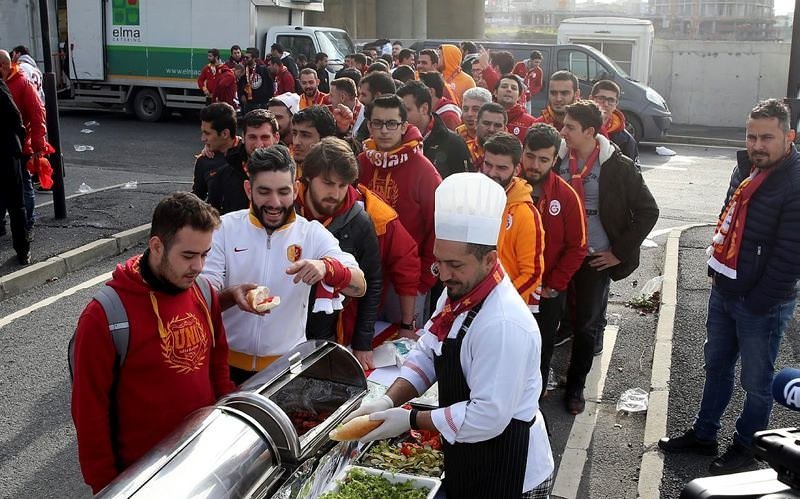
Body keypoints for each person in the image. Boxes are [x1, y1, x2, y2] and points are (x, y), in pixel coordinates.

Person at [345, 172, 555, 498]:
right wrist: (387, 400)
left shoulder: (502, 324)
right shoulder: (459, 290)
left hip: (511, 469)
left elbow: (487, 417)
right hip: (469, 455)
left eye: (455, 264)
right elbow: (429, 350)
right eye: (439, 262)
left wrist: (411, 419)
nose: (444, 275)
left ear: (489, 259)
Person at [658, 98, 800, 475]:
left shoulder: (796, 180)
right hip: (725, 290)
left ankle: (746, 446)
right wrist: (715, 270)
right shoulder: (745, 167)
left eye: (766, 138)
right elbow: (725, 217)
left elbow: (790, 256)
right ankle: (705, 434)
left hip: (762, 304)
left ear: (789, 136)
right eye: (752, 136)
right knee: (716, 367)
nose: (757, 145)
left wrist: (757, 302)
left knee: (757, 382)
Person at [71, 192, 236, 493]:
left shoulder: (203, 291)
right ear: (157, 246)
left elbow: (218, 365)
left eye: (205, 254)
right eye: (188, 256)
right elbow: (89, 413)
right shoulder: (104, 316)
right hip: (142, 478)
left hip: (203, 458)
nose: (199, 266)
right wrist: (107, 487)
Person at [202, 145, 366, 384]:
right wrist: (231, 295)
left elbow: (359, 284)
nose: (275, 202)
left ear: (296, 189)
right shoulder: (224, 229)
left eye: (283, 191)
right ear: (249, 190)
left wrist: (327, 268)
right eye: (264, 192)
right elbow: (202, 296)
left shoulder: (311, 233)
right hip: (224, 365)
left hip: (286, 369)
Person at [555, 100, 658, 414]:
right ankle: (540, 379)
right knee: (547, 321)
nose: (563, 132)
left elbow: (648, 211)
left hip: (594, 259)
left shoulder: (618, 165)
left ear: (589, 131)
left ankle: (575, 387)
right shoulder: (556, 158)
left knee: (585, 327)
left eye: (570, 127)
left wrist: (618, 252)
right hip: (557, 256)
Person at [295, 137, 382, 369]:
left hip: (331, 333)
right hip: (284, 335)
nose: (335, 193)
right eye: (327, 183)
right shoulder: (287, 210)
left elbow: (372, 281)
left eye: (343, 185)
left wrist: (363, 341)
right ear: (308, 177)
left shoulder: (360, 221)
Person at [358, 95, 442, 322]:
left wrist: (425, 277)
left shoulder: (424, 171)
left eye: (392, 123)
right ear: (369, 125)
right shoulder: (361, 163)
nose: (384, 130)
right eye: (378, 123)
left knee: (402, 347)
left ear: (404, 126)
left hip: (408, 281)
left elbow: (438, 226)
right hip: (365, 274)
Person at [519, 124, 587, 398]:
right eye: (530, 156)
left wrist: (554, 285)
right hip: (509, 287)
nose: (535, 165)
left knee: (541, 347)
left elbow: (577, 247)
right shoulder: (505, 187)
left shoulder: (566, 196)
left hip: (546, 292)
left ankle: (533, 405)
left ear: (554, 160)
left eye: (543, 159)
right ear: (522, 153)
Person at [480, 131, 545, 313]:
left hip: (506, 310)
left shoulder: (525, 214)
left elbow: (532, 274)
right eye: (488, 165)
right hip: (474, 302)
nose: (492, 173)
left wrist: (497, 302)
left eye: (501, 168)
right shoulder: (475, 200)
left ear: (517, 170)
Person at [0, 49, 45, 232]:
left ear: (4, 65)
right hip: (7, 145)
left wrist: (38, 146)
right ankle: (2, 224)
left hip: (20, 146)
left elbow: (37, 114)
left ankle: (28, 222)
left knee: (24, 185)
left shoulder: (22, 82)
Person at [207, 109, 280, 214]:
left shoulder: (290, 173)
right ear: (244, 137)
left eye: (265, 137)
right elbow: (212, 217)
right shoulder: (224, 175)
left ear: (276, 137)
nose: (259, 144)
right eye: (252, 137)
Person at [397, 80, 472, 179]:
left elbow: (464, 185)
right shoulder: (393, 138)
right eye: (398, 111)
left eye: (406, 110)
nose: (399, 116)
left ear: (424, 109)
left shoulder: (454, 143)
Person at [0, 77, 31, 264]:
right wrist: (19, 137)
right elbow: (14, 114)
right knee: (16, 204)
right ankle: (22, 251)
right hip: (5, 150)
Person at [193, 103, 239, 202]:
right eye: (202, 132)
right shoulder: (204, 161)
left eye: (207, 133)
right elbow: (197, 200)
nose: (202, 139)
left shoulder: (248, 155)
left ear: (225, 134)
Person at [590, 80, 638, 164]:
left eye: (611, 100)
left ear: (616, 104)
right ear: (590, 99)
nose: (605, 104)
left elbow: (633, 174)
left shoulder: (626, 140)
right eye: (601, 98)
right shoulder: (576, 128)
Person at [354, 71, 396, 142]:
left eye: (364, 95)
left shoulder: (397, 122)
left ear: (378, 96)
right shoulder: (368, 118)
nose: (359, 99)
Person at [495, 73, 535, 142]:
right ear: (495, 93)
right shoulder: (485, 116)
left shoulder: (531, 123)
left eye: (513, 88)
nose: (509, 90)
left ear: (519, 96)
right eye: (504, 86)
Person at [471, 102, 508, 168]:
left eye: (497, 125)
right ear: (476, 124)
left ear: (505, 129)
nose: (491, 129)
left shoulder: (512, 156)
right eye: (486, 123)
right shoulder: (463, 150)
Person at [241, 48, 273, 112]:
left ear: (253, 58)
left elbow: (270, 84)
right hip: (249, 104)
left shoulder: (263, 69)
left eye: (247, 58)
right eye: (244, 57)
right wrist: (241, 95)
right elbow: (240, 85)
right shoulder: (243, 70)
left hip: (262, 103)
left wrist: (269, 97)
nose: (245, 59)